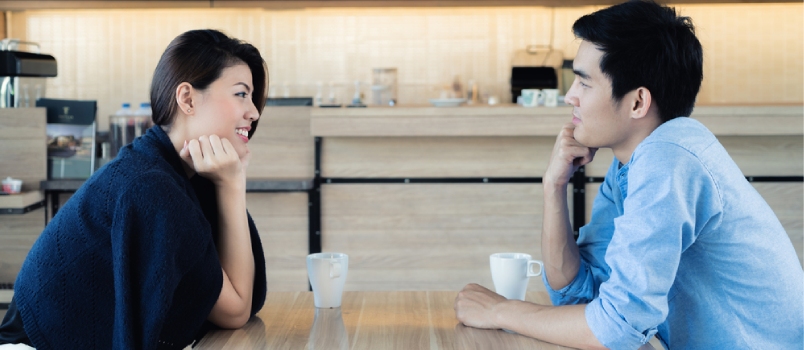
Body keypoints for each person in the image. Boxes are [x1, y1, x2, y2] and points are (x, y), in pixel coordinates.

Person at [454, 1, 804, 349]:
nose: (569, 97)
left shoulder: (667, 159)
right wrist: (554, 185)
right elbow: (582, 299)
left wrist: (502, 311)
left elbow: (615, 329)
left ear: (637, 102)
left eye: (584, 83)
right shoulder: (630, 165)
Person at [0, 29, 269, 349]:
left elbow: (238, 304)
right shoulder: (151, 187)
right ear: (187, 98)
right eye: (241, 94)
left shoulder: (165, 171)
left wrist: (229, 182)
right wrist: (233, 183)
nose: (253, 112)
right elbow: (235, 310)